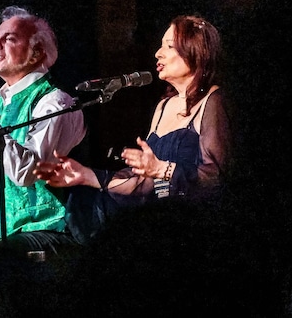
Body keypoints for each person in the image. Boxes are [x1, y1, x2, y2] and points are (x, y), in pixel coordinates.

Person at [34, 15, 231, 244]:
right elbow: (143, 184)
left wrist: (161, 169)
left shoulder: (213, 101)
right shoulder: (163, 106)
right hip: (159, 227)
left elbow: (215, 178)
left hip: (194, 232)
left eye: (169, 46)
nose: (158, 53)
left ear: (195, 50)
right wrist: (85, 175)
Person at [0, 5, 87, 258]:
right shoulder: (0, 102)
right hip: (7, 238)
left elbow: (27, 173)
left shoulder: (55, 102)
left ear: (36, 53)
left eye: (9, 38)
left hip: (49, 232)